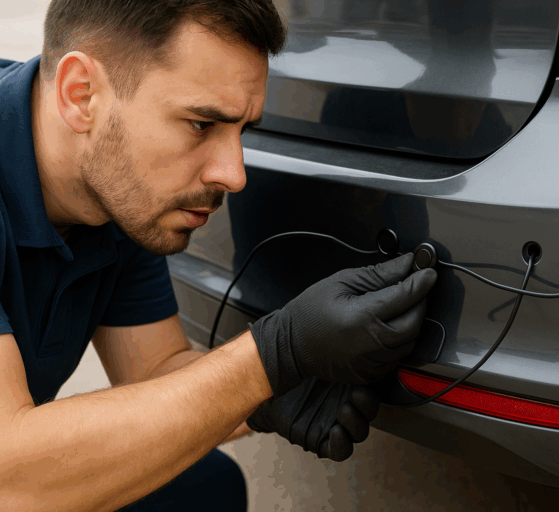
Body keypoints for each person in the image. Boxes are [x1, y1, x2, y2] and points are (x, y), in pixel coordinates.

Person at [0, 0, 437, 510]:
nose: (234, 174)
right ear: (81, 94)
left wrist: (269, 395)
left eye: (242, 130)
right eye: (202, 124)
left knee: (203, 489)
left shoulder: (118, 192)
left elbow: (154, 370)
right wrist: (272, 355)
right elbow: (10, 477)